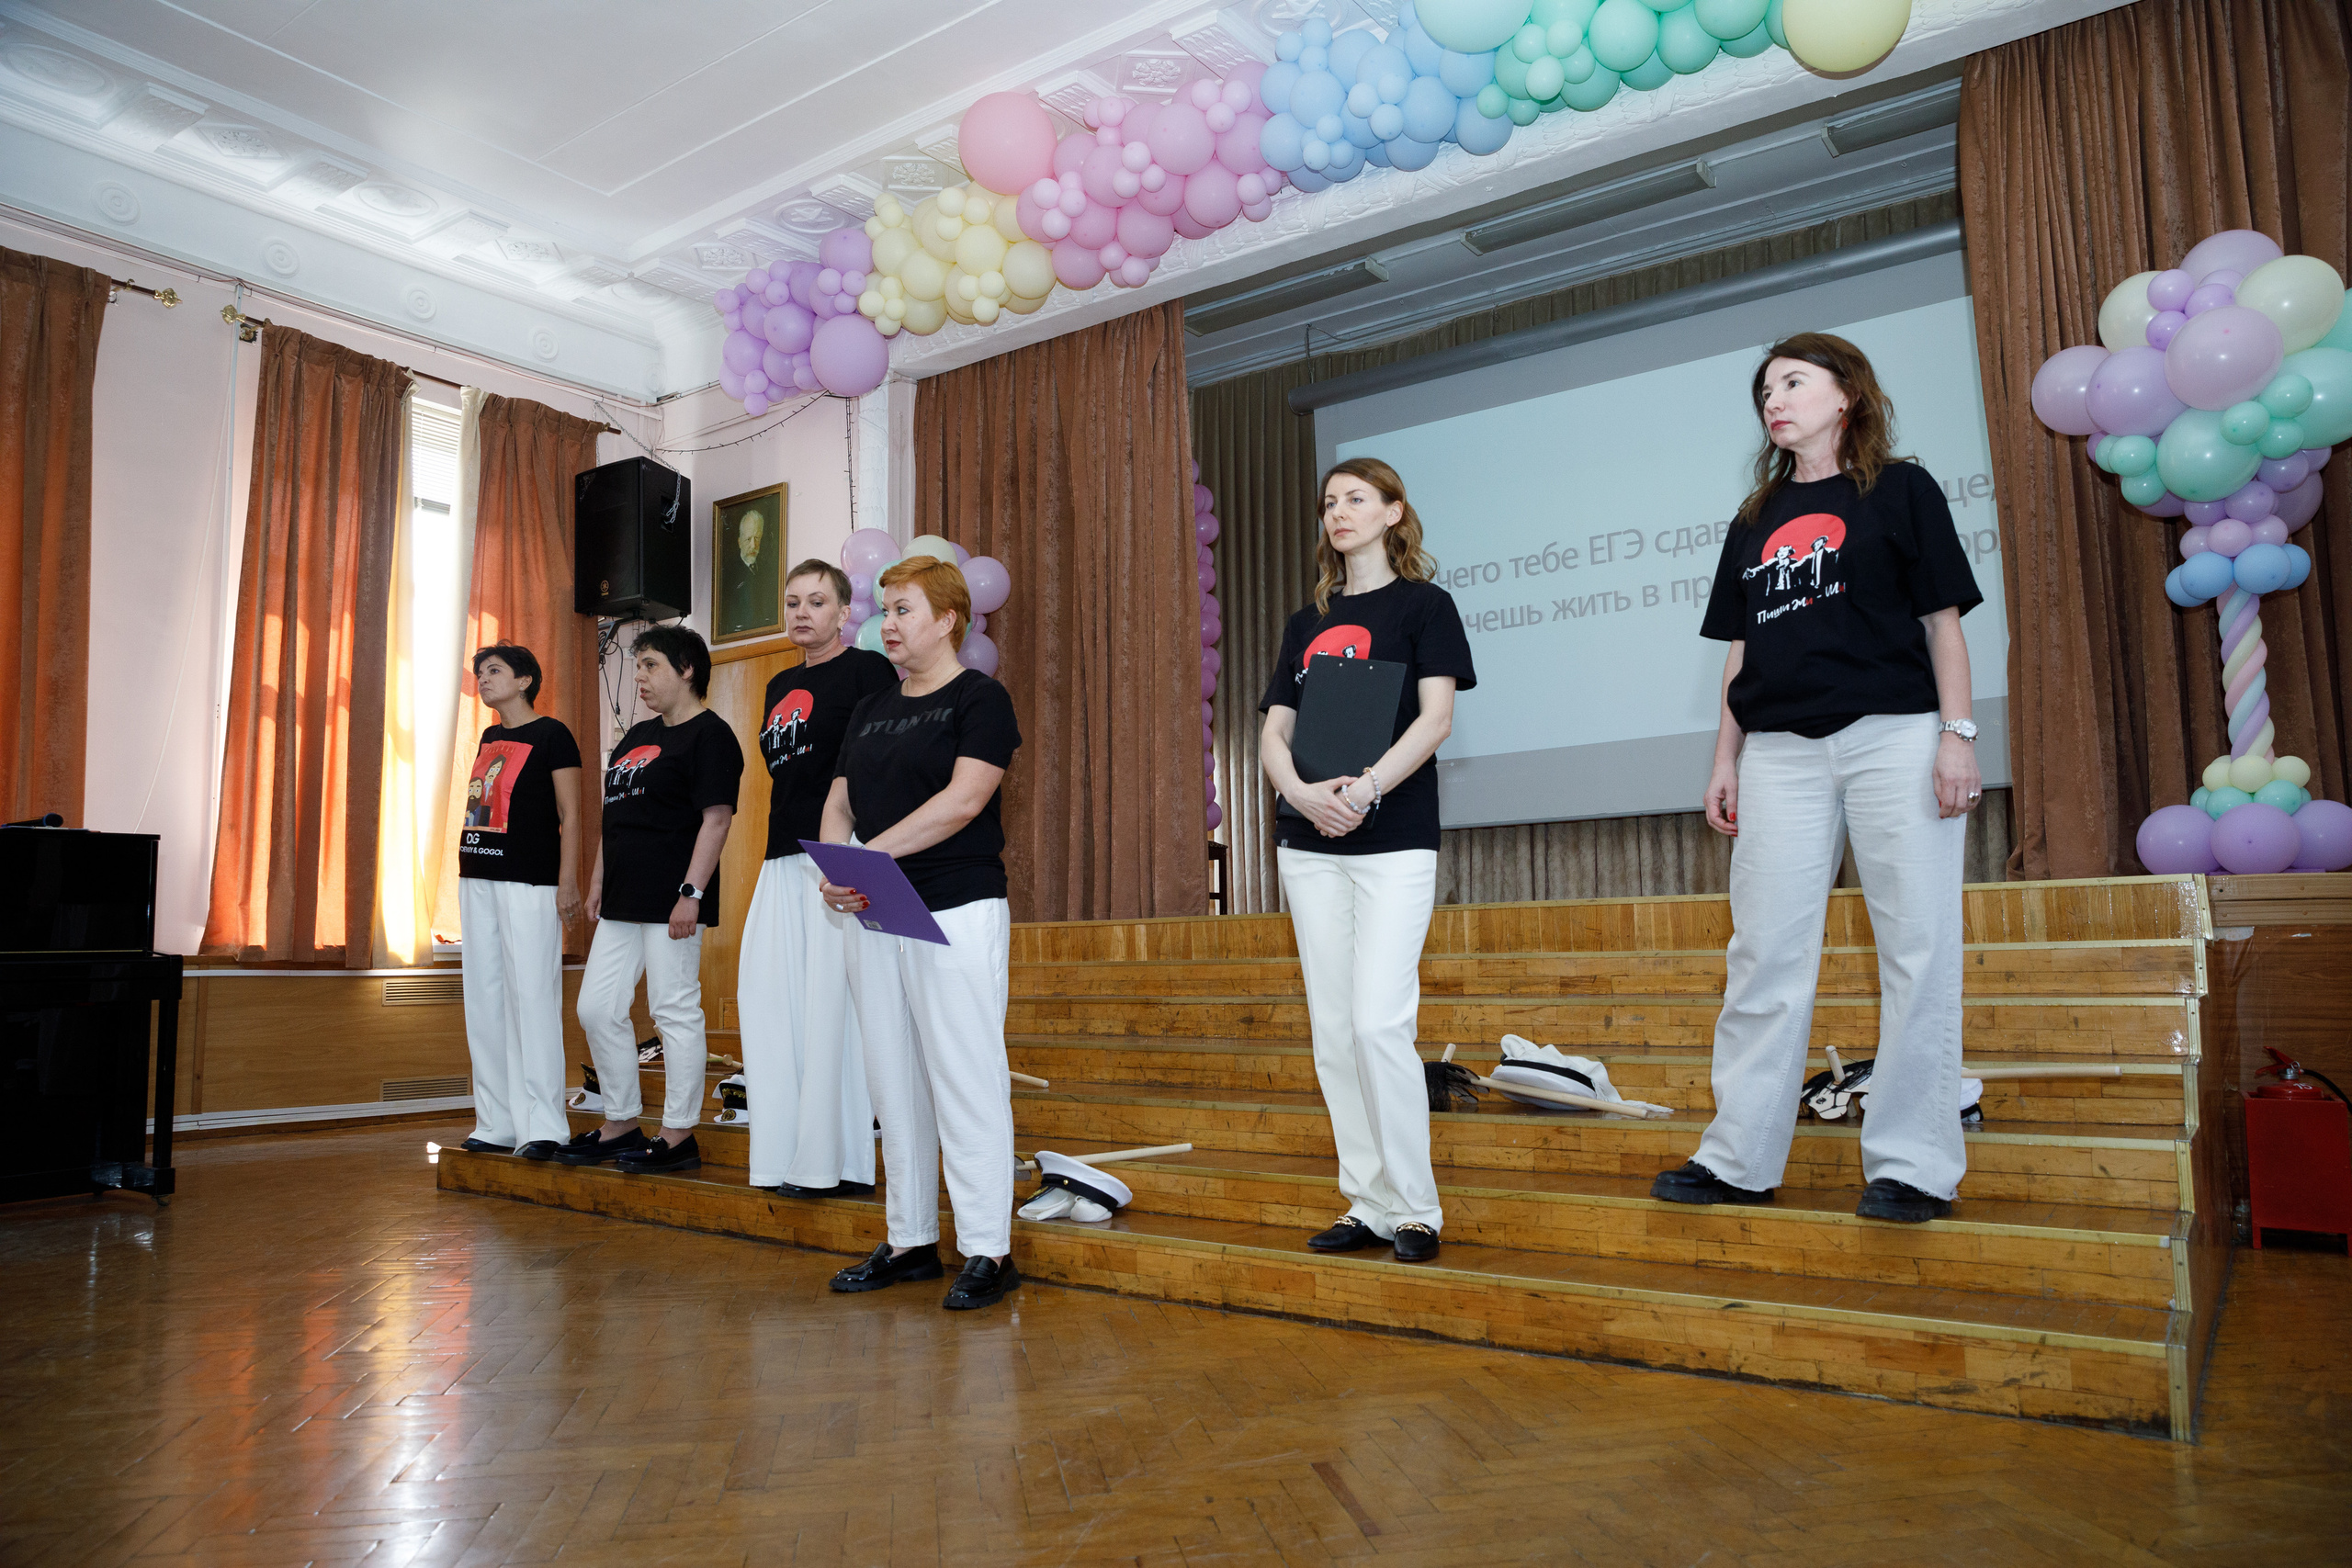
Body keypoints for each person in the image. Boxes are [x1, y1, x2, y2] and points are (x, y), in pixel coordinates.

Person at [1651, 331, 1984, 1225]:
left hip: (1894, 736)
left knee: (1917, 949)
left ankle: (1914, 1165)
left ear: (1846, 395)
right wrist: (1725, 758)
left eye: (1793, 380)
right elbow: (1741, 649)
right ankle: (1738, 1159)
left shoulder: (1902, 490)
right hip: (1780, 753)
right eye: (1765, 387)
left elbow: (1941, 622)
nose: (1775, 398)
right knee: (1763, 953)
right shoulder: (1754, 518)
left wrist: (1956, 734)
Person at [1258, 458, 1476, 1265]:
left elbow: (1437, 719)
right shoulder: (1302, 623)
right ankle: (1369, 1201)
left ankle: (1418, 1208)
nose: (1338, 512)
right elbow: (1274, 732)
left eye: (1356, 499)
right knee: (1333, 1030)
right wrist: (1306, 796)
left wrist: (1368, 789)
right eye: (1328, 502)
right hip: (1308, 840)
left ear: (1393, 512)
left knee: (1380, 1021)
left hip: (1393, 836)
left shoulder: (1426, 606)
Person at [816, 557, 1024, 1311]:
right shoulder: (871, 706)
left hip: (956, 903)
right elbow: (838, 798)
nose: (889, 625)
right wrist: (835, 862)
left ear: (947, 620)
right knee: (893, 1082)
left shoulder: (980, 697)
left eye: (904, 611)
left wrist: (867, 854)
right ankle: (909, 1239)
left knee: (965, 1076)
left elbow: (964, 800)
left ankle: (986, 1249)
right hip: (877, 906)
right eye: (886, 612)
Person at [738, 561, 898, 1194]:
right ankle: (783, 1158)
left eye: (817, 601)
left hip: (838, 856)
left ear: (843, 611)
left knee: (833, 1014)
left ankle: (837, 1164)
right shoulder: (778, 683)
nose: (802, 611)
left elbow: (878, 765)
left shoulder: (866, 671)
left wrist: (861, 855)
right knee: (770, 1007)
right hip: (779, 860)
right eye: (792, 601)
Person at [560, 625, 744, 1174]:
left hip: (673, 901)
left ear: (687, 670)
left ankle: (678, 1134)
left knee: (672, 1010)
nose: (639, 677)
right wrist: (597, 884)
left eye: (651, 666)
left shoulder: (711, 736)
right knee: (596, 1007)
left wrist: (692, 893)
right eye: (637, 666)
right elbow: (612, 819)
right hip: (621, 899)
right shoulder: (634, 738)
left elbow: (716, 820)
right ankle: (620, 1121)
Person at [454, 645, 582, 1159]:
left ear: (525, 679)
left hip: (530, 880)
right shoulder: (490, 737)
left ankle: (545, 1126)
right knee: (484, 1002)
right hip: (477, 873)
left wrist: (567, 881)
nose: (483, 679)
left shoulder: (553, 735)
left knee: (532, 999)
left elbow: (570, 814)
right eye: (480, 671)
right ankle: (496, 1122)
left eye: (495, 671)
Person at [722, 507, 777, 635]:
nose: (753, 545)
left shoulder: (769, 571)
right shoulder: (728, 574)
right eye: (748, 539)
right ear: (739, 542)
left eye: (757, 538)